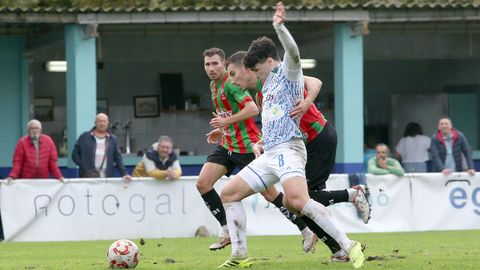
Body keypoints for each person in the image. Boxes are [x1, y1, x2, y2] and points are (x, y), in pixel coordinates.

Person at [218, 3, 365, 268]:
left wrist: (279, 27)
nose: (255, 73)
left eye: (257, 68)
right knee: (228, 194)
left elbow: (294, 53)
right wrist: (262, 141)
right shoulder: (267, 86)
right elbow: (275, 116)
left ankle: (348, 245)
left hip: (290, 149)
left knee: (298, 200)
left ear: (271, 61)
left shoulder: (288, 73)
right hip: (271, 153)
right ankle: (240, 256)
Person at [199, 47, 318, 253]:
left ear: (224, 63)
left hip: (247, 146)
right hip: (228, 144)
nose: (211, 68)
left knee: (271, 196)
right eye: (207, 64)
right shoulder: (213, 85)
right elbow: (232, 114)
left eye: (215, 63)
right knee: (203, 183)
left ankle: (306, 229)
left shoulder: (231, 83)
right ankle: (227, 229)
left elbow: (252, 110)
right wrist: (223, 129)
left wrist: (225, 121)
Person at [72, 113, 131, 179]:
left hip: (107, 178)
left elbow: (118, 158)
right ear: (95, 122)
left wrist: (124, 173)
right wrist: (84, 167)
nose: (102, 123)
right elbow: (75, 155)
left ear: (108, 123)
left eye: (104, 121)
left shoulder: (113, 139)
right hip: (87, 177)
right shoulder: (84, 137)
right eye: (99, 121)